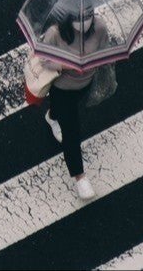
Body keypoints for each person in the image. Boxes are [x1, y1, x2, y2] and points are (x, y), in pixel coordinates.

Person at [27, 15, 114, 200]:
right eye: (80, 17)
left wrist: (93, 60)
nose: (85, 20)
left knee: (64, 111)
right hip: (62, 88)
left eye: (89, 15)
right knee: (71, 131)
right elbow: (44, 59)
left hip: (86, 84)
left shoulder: (99, 26)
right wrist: (68, 65)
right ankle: (79, 177)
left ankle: (52, 116)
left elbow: (105, 49)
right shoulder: (55, 33)